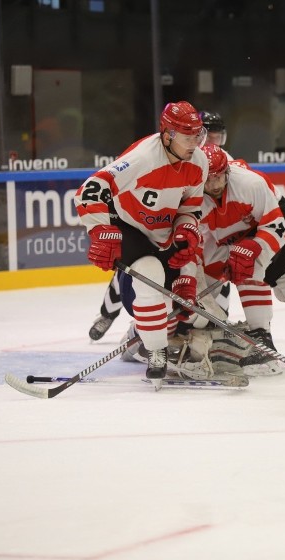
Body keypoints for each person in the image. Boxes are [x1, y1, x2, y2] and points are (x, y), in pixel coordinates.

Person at [74, 100, 207, 388]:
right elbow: (89, 190)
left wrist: (186, 229)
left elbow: (191, 207)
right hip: (132, 229)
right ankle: (156, 351)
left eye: (198, 136)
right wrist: (101, 230)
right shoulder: (142, 158)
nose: (194, 144)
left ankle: (145, 340)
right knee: (149, 279)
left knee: (180, 302)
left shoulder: (199, 163)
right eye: (187, 137)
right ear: (167, 135)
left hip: (165, 232)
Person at [87, 108, 233, 342]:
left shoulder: (215, 161)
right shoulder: (148, 158)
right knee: (139, 274)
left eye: (210, 136)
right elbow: (95, 188)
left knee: (203, 307)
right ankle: (121, 323)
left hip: (195, 233)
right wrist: (100, 229)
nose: (203, 142)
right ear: (169, 136)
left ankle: (191, 328)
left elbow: (196, 210)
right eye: (192, 136)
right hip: (156, 225)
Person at [196, 143, 285, 376]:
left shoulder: (251, 183)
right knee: (204, 285)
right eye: (208, 180)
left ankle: (263, 340)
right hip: (224, 235)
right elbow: (201, 249)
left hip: (265, 224)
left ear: (227, 172)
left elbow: (275, 224)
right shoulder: (193, 195)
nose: (214, 185)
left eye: (218, 178)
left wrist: (254, 246)